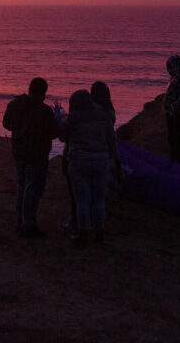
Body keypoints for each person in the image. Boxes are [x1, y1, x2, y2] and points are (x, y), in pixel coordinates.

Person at [59, 89, 118, 247]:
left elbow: (62, 136)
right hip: (101, 161)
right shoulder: (103, 117)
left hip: (79, 162)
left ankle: (83, 234)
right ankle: (99, 234)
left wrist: (59, 118)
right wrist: (110, 158)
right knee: (99, 200)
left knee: (82, 201)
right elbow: (112, 140)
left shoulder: (73, 118)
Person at [2, 77, 59, 238]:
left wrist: (20, 128)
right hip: (37, 155)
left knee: (22, 185)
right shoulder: (44, 111)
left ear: (29, 89)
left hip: (19, 152)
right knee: (33, 188)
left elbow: (6, 124)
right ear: (43, 93)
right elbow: (54, 133)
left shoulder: (14, 104)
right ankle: (28, 224)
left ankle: (21, 219)